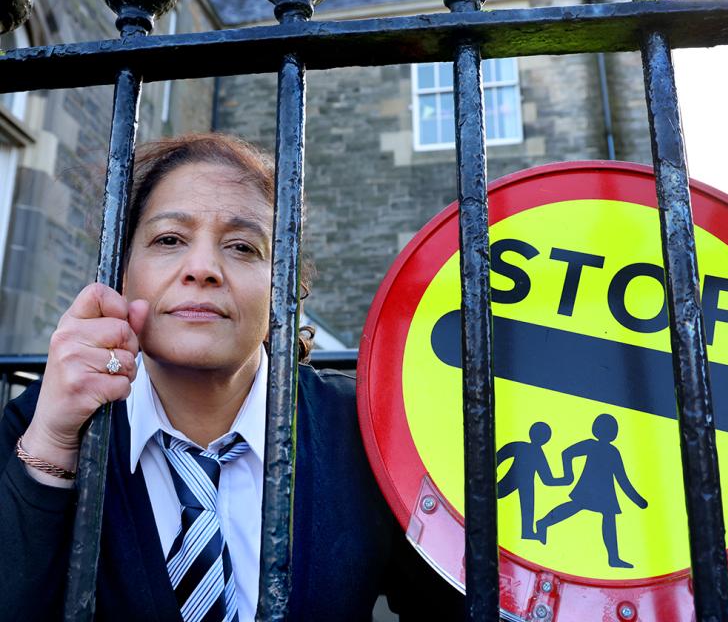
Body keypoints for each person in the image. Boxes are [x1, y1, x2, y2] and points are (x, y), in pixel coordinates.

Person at [0, 133, 464, 621]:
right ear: (121, 271)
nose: (202, 268)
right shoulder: (42, 422)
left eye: (243, 246)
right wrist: (52, 445)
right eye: (169, 240)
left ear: (285, 286)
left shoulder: (365, 430)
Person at [532, 413, 647, 568]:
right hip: (590, 487)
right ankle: (543, 523)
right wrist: (569, 474)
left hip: (605, 491)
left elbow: (622, 478)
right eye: (611, 429)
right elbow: (567, 453)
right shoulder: (592, 445)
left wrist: (637, 499)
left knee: (606, 517)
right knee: (576, 508)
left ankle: (613, 558)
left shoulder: (613, 452)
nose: (613, 432)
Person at [495, 421, 570, 539]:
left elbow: (547, 479)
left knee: (527, 503)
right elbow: (499, 456)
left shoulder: (533, 451)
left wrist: (565, 481)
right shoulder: (523, 447)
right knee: (522, 499)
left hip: (525, 484)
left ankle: (527, 531)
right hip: (512, 481)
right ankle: (527, 531)